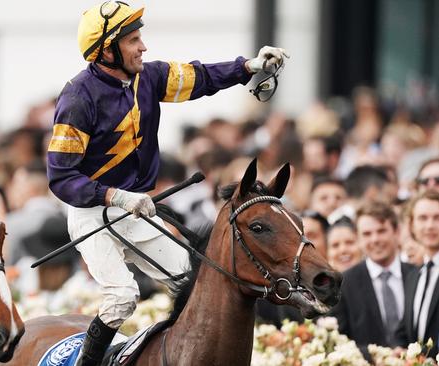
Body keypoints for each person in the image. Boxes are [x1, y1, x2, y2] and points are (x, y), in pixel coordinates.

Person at [45, 1, 289, 364]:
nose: (142, 46)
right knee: (122, 297)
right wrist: (116, 196)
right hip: (91, 215)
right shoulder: (78, 98)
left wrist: (248, 67)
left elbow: (200, 77)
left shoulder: (150, 77)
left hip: (135, 211)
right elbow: (61, 177)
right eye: (132, 40)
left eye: (140, 37)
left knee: (193, 279)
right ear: (107, 50)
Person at [331, 201, 415, 359]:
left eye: (381, 231)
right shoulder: (344, 284)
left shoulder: (417, 275)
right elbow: (339, 341)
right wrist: (379, 356)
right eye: (367, 234)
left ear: (396, 232)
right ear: (358, 238)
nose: (375, 239)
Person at [396, 191, 439, 357]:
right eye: (423, 218)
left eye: (437, 217)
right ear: (412, 225)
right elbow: (406, 330)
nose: (430, 225)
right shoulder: (414, 275)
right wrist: (398, 349)